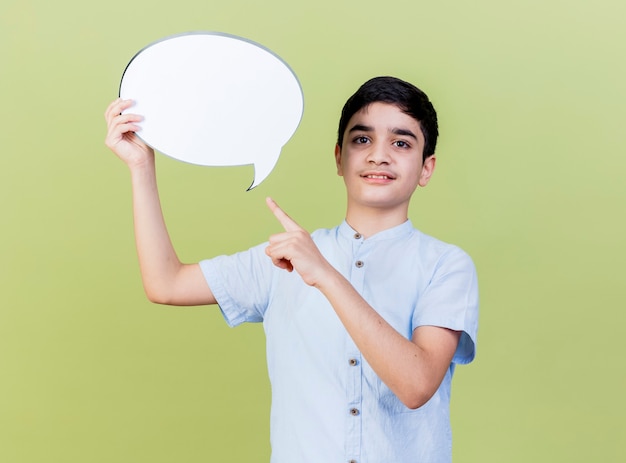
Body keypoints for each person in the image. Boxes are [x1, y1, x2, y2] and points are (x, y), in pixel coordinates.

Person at [104, 76, 479, 463]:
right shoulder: (283, 260)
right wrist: (140, 166)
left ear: (426, 168)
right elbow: (166, 283)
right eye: (362, 139)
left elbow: (416, 385)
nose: (378, 156)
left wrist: (326, 274)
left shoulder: (446, 266)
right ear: (339, 157)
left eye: (401, 143)